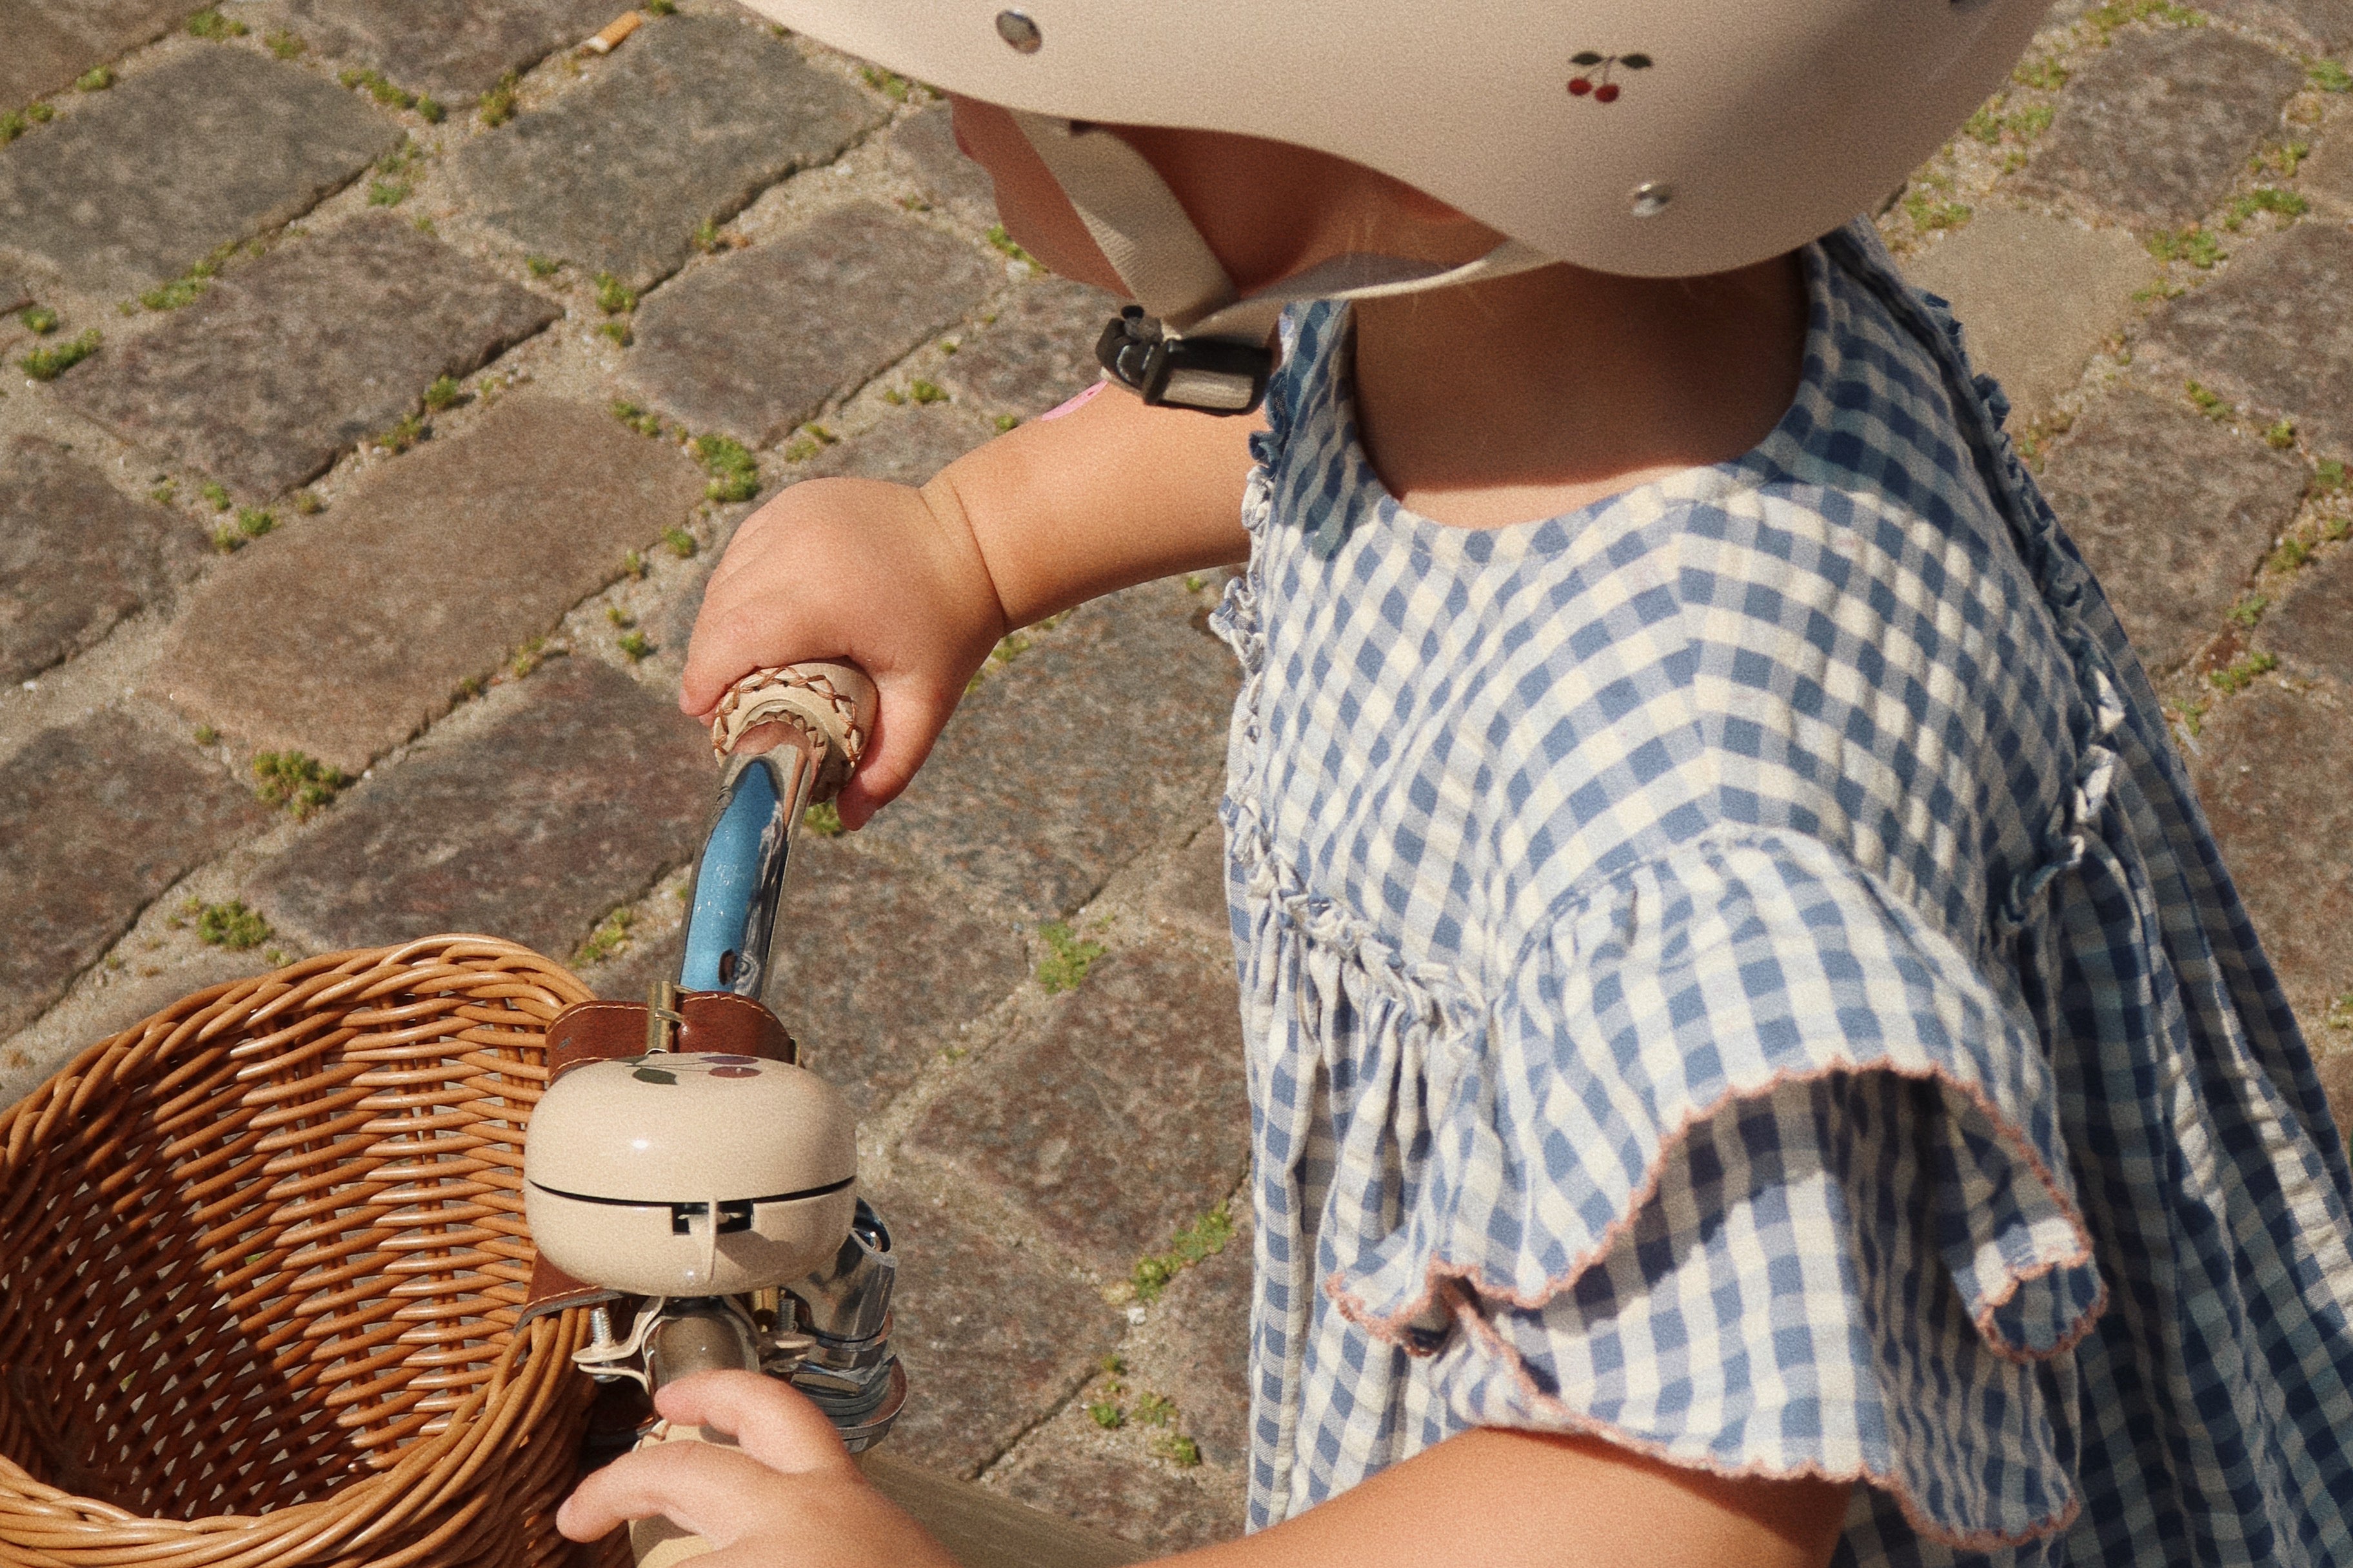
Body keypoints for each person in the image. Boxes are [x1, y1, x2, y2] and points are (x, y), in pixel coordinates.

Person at [557, 3, 2353, 1564]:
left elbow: (1668, 1510)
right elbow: (1310, 397)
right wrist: (974, 534)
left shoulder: (1684, 811)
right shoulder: (1584, 293)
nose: (945, 99)